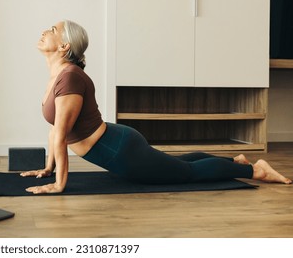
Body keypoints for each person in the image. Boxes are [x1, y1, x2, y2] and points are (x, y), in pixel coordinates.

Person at [20, 20, 292, 194]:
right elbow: (56, 130)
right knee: (173, 164)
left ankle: (254, 170)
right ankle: (234, 161)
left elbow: (60, 133)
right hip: (117, 144)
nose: (45, 30)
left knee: (185, 174)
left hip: (120, 150)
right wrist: (48, 168)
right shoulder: (60, 76)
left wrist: (59, 184)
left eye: (53, 30)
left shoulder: (69, 77)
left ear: (65, 45)